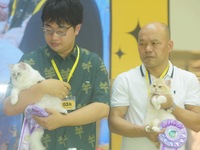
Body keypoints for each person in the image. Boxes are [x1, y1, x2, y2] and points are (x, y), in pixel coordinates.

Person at [3, 0, 110, 150]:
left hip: (80, 144)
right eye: (48, 29)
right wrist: (41, 88)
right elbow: (9, 107)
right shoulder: (30, 61)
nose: (54, 37)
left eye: (61, 31)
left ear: (77, 28)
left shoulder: (93, 63)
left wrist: (63, 120)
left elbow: (103, 107)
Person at [108, 22, 200, 150]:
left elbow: (197, 123)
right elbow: (114, 123)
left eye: (154, 43)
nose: (148, 49)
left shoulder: (188, 79)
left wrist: (171, 106)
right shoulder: (125, 79)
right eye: (142, 44)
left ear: (169, 46)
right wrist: (145, 131)